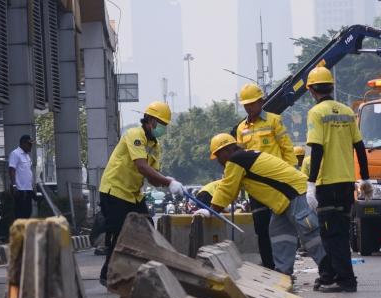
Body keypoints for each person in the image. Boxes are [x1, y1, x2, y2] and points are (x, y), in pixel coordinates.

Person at [202, 133, 331, 278]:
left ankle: (329, 270)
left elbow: (227, 188)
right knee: (279, 233)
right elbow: (232, 188)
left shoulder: (236, 160)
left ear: (226, 150)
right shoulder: (244, 157)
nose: (219, 161)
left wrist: (210, 210)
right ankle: (283, 273)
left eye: (218, 156)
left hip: (295, 194)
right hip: (284, 201)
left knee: (310, 235)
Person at [97, 101, 183, 286]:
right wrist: (168, 181)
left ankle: (142, 273)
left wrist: (169, 183)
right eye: (161, 124)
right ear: (150, 120)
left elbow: (152, 177)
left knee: (147, 229)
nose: (163, 129)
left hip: (134, 194)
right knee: (120, 233)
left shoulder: (155, 145)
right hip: (115, 191)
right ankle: (108, 274)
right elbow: (141, 166)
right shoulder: (135, 135)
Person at [304, 66, 369, 293]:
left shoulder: (316, 113)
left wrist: (311, 183)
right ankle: (330, 276)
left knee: (331, 234)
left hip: (327, 183)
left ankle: (345, 279)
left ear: (311, 90)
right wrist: (366, 179)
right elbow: (360, 147)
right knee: (338, 230)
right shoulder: (346, 111)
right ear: (331, 86)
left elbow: (317, 148)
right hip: (346, 183)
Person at [232, 83, 297, 270]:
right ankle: (269, 267)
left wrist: (292, 176)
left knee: (281, 229)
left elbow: (287, 149)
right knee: (262, 229)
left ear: (261, 101)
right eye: (245, 104)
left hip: (276, 185)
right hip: (255, 188)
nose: (248, 107)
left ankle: (284, 267)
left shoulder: (274, 121)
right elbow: (239, 159)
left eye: (252, 103)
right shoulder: (241, 129)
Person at [8, 134, 35, 219]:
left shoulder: (27, 155)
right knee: (20, 215)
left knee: (28, 213)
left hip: (28, 189)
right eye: (29, 144)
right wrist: (14, 185)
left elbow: (27, 172)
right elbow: (12, 170)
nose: (31, 146)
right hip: (20, 190)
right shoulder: (15, 153)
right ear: (23, 143)